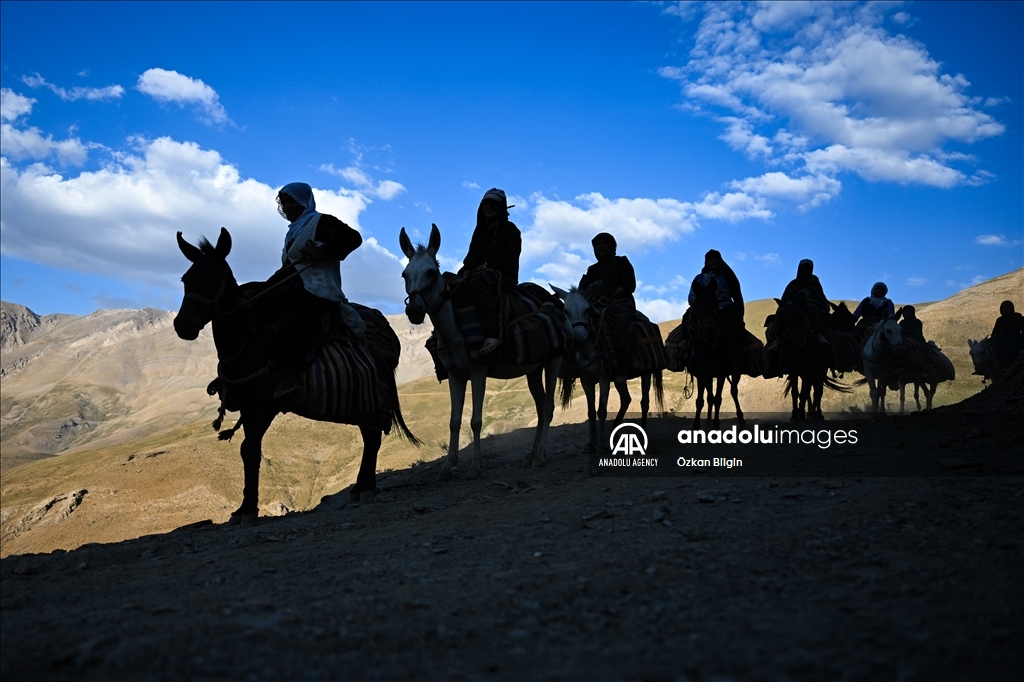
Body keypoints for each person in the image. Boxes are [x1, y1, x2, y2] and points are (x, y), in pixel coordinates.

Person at [268, 182, 364, 398]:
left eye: (290, 202)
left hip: (318, 292)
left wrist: (323, 250)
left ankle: (291, 375)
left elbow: (353, 238)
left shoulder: (322, 221)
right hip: (293, 288)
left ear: (304, 201)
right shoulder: (292, 234)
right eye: (283, 203)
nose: (286, 208)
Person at [458, 188, 521, 355]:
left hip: (504, 276)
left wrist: (486, 265)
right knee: (451, 283)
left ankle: (493, 334)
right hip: (479, 273)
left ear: (502, 207)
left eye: (493, 203)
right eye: (486, 203)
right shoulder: (479, 232)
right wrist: (467, 269)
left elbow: (510, 258)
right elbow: (470, 257)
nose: (489, 206)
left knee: (478, 283)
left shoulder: (511, 230)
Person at [578, 232, 637, 384]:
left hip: (618, 303)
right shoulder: (592, 269)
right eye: (598, 244)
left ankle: (622, 364)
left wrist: (610, 298)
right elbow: (583, 289)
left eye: (605, 243)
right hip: (593, 305)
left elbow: (629, 284)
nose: (602, 246)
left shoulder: (621, 262)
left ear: (612, 246)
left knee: (621, 323)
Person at [686, 249, 745, 352]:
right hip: (703, 306)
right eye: (710, 259)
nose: (713, 261)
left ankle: (741, 348)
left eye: (715, 258)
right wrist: (694, 301)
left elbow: (736, 293)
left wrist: (737, 307)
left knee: (733, 317)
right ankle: (684, 346)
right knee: (687, 316)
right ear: (706, 262)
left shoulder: (728, 276)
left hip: (724, 305)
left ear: (720, 260)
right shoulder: (699, 278)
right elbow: (692, 294)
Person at [778, 259, 831, 343]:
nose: (805, 270)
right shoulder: (793, 284)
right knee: (782, 311)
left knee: (812, 309)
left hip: (810, 303)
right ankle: (778, 338)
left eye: (807, 267)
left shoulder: (814, 282)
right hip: (793, 304)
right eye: (803, 267)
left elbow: (820, 296)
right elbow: (785, 297)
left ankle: (819, 334)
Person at [990, 300, 1024, 366]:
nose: (1006, 309)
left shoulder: (1016, 316)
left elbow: (1018, 327)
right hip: (1000, 340)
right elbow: (995, 331)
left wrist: (1006, 333)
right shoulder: (999, 320)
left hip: (1014, 338)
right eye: (1004, 307)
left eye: (1008, 307)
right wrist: (994, 337)